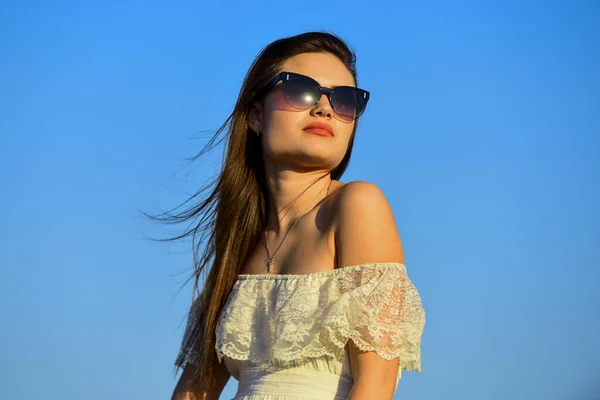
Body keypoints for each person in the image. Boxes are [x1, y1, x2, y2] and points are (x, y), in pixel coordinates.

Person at [166, 31, 426, 400]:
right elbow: (194, 391)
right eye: (300, 90)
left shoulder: (356, 205)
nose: (324, 108)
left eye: (345, 99)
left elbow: (376, 384)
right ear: (255, 115)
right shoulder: (238, 242)